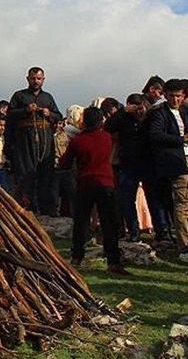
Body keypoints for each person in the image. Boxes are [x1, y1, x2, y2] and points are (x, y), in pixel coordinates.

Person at [60, 107, 129, 275]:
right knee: (109, 223)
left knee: (81, 222)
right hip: (106, 182)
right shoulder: (106, 138)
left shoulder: (78, 141)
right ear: (101, 121)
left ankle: (77, 256)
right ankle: (113, 261)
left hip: (85, 183)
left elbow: (65, 163)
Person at [7, 67, 62, 215]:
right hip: (25, 140)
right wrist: (25, 110)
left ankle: (46, 209)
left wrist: (48, 113)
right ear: (28, 79)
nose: (36, 81)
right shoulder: (19, 96)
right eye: (33, 78)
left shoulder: (48, 97)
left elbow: (58, 115)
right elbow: (10, 114)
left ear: (43, 80)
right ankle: (27, 208)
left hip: (45, 140)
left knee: (46, 174)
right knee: (26, 174)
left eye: (39, 79)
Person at [147, 79, 188, 261]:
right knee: (182, 204)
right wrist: (181, 139)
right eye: (172, 95)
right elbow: (155, 135)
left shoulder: (185, 111)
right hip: (175, 164)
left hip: (184, 159)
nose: (175, 99)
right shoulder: (159, 113)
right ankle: (185, 245)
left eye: (178, 96)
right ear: (165, 94)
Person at [105, 94, 149, 242]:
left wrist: (143, 113)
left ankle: (163, 231)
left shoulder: (147, 117)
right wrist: (123, 111)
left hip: (146, 162)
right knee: (127, 200)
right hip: (128, 164)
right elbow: (108, 127)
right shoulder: (123, 119)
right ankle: (133, 230)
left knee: (153, 198)